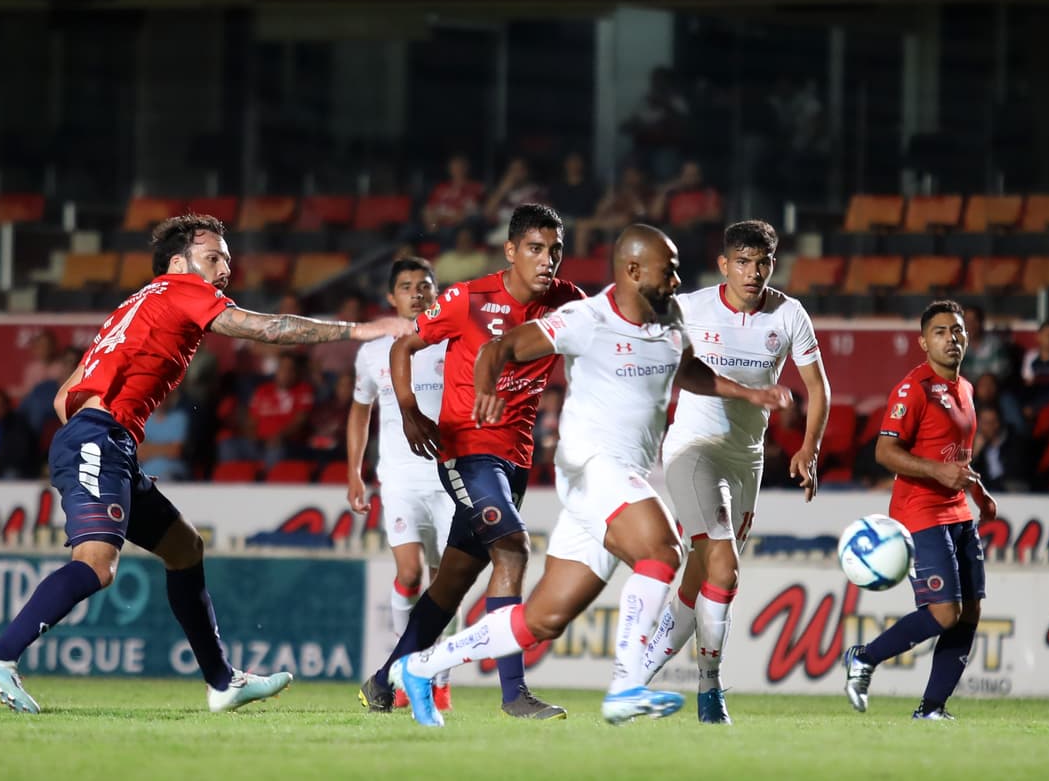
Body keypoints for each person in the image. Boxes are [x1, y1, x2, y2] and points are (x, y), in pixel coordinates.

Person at [0, 213, 412, 715]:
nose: (224, 268)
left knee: (184, 547)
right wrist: (359, 329)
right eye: (213, 257)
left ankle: (222, 682)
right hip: (100, 439)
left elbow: (64, 396)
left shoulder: (134, 305)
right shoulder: (181, 290)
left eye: (227, 259)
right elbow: (268, 327)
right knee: (96, 564)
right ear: (179, 263)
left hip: (104, 440)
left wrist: (100, 426)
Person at [387, 224, 791, 727]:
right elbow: (501, 347)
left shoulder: (671, 316)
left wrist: (749, 394)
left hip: (614, 482)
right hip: (593, 466)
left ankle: (421, 667)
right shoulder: (587, 318)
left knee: (543, 619)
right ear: (633, 271)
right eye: (669, 270)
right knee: (663, 550)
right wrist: (486, 385)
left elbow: (688, 370)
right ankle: (626, 685)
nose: (677, 279)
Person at [356, 203, 582, 721]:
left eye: (555, 250)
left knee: (451, 584)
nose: (547, 260)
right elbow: (404, 345)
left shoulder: (568, 301)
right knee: (513, 549)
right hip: (467, 452)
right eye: (535, 249)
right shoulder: (469, 298)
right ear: (511, 251)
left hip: (516, 459)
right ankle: (514, 695)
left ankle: (382, 681)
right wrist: (411, 410)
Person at [638, 220, 831, 724]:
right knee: (723, 567)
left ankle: (633, 679)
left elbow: (818, 388)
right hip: (692, 450)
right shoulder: (692, 308)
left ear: (773, 264)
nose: (753, 272)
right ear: (724, 265)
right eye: (742, 262)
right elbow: (666, 368)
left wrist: (808, 449)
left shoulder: (789, 315)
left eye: (762, 262)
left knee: (701, 575)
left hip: (747, 459)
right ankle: (710, 690)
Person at [843, 300, 997, 721]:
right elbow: (884, 451)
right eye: (941, 331)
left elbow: (957, 461)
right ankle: (864, 657)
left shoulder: (965, 389)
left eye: (958, 330)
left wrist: (979, 495)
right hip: (919, 511)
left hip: (958, 512)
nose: (952, 338)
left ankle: (931, 709)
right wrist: (937, 472)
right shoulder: (914, 389)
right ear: (923, 342)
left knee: (970, 612)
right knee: (944, 612)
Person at [347, 257, 458, 710]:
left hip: (452, 480)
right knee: (409, 574)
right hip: (399, 482)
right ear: (392, 297)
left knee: (446, 583)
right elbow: (360, 410)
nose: (417, 292)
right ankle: (401, 672)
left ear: (437, 293)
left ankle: (440, 683)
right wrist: (353, 471)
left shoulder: (454, 343)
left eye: (425, 285)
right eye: (407, 286)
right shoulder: (373, 351)